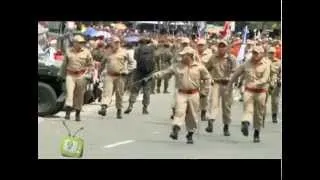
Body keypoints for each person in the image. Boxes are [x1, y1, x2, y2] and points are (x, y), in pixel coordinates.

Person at [152, 46, 211, 144]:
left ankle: (190, 134)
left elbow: (207, 78)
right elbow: (166, 72)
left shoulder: (199, 67)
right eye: (182, 55)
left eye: (185, 55)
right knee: (179, 111)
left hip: (194, 94)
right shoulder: (177, 66)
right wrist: (157, 75)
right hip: (181, 93)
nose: (182, 57)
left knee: (192, 115)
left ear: (191, 56)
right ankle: (176, 128)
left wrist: (205, 90)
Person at [227, 46, 271, 143]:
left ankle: (256, 132)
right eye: (254, 53)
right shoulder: (246, 64)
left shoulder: (266, 65)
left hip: (261, 92)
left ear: (262, 54)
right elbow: (236, 74)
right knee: (248, 109)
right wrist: (230, 85)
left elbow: (265, 79)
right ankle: (245, 123)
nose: (255, 55)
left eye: (257, 53)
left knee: (259, 114)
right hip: (249, 91)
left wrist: (256, 83)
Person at [205, 40, 237, 136]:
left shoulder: (231, 59)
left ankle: (226, 126)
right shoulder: (213, 58)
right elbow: (206, 69)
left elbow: (235, 71)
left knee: (226, 106)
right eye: (220, 46)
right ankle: (211, 121)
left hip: (227, 84)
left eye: (224, 46)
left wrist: (231, 78)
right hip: (216, 83)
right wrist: (208, 78)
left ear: (227, 48)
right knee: (213, 103)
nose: (221, 48)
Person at [59, 35, 94, 121]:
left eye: (83, 43)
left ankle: (77, 114)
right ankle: (68, 113)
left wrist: (89, 75)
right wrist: (61, 75)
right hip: (70, 75)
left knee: (80, 95)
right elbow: (64, 64)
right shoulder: (68, 51)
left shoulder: (86, 52)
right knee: (70, 93)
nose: (82, 44)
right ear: (74, 43)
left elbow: (90, 65)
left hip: (81, 75)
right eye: (80, 42)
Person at [98, 36, 130, 119]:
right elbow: (102, 63)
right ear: (111, 43)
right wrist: (99, 73)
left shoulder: (124, 52)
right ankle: (104, 108)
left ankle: (119, 110)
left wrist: (127, 71)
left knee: (119, 94)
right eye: (114, 42)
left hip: (120, 76)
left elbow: (132, 63)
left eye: (118, 42)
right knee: (107, 92)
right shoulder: (108, 52)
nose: (116, 44)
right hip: (109, 75)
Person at [124, 37, 156, 114]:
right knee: (147, 90)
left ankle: (130, 105)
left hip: (139, 71)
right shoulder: (152, 49)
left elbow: (135, 58)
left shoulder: (137, 49)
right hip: (149, 71)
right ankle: (145, 108)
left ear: (139, 42)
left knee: (135, 89)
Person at [196, 39, 213, 121]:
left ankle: (203, 112)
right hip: (195, 78)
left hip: (206, 78)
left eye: (202, 45)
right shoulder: (193, 54)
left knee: (205, 97)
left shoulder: (210, 55)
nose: (200, 47)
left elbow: (213, 67)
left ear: (206, 46)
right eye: (199, 45)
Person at [266, 47, 281, 123]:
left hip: (275, 83)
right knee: (262, 101)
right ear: (267, 53)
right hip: (265, 83)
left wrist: (280, 80)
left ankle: (274, 115)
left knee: (275, 101)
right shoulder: (264, 61)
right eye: (270, 52)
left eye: (273, 53)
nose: (271, 54)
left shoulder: (279, 62)